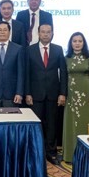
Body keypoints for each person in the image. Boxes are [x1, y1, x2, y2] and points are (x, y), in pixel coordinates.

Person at [25, 24, 67, 165]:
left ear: (52, 33)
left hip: (53, 94)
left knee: (52, 125)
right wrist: (28, 93)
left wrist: (62, 93)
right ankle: (37, 151)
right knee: (37, 124)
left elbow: (63, 73)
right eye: (43, 32)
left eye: (48, 32)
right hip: (35, 95)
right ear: (38, 33)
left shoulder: (58, 49)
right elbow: (26, 74)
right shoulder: (30, 50)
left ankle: (51, 152)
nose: (45, 34)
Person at [62, 32, 89, 163]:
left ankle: (86, 156)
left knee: (85, 123)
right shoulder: (66, 58)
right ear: (71, 43)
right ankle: (70, 155)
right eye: (74, 41)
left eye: (80, 41)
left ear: (84, 43)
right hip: (70, 95)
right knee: (71, 124)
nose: (77, 43)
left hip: (86, 94)